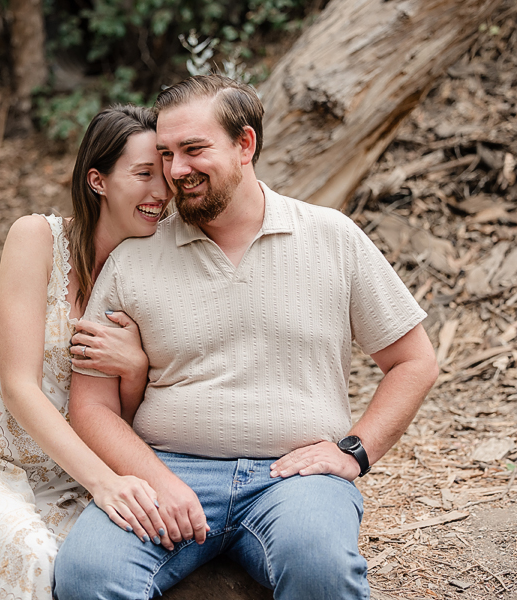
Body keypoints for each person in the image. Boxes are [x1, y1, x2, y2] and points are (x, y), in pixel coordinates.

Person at [53, 75, 440, 599]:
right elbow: (91, 405)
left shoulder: (331, 236)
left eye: (193, 150)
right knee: (88, 574)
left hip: (296, 480)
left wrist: (356, 451)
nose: (176, 171)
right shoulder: (134, 257)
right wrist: (157, 479)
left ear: (245, 145)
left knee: (320, 567)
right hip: (167, 468)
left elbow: (414, 360)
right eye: (166, 154)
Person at [0, 105, 172, 600]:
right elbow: (19, 387)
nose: (161, 193)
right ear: (97, 180)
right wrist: (105, 484)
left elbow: (116, 418)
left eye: (164, 176)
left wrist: (135, 368)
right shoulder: (37, 238)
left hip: (63, 479)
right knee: (32, 556)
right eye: (144, 174)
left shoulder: (151, 271)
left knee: (93, 568)